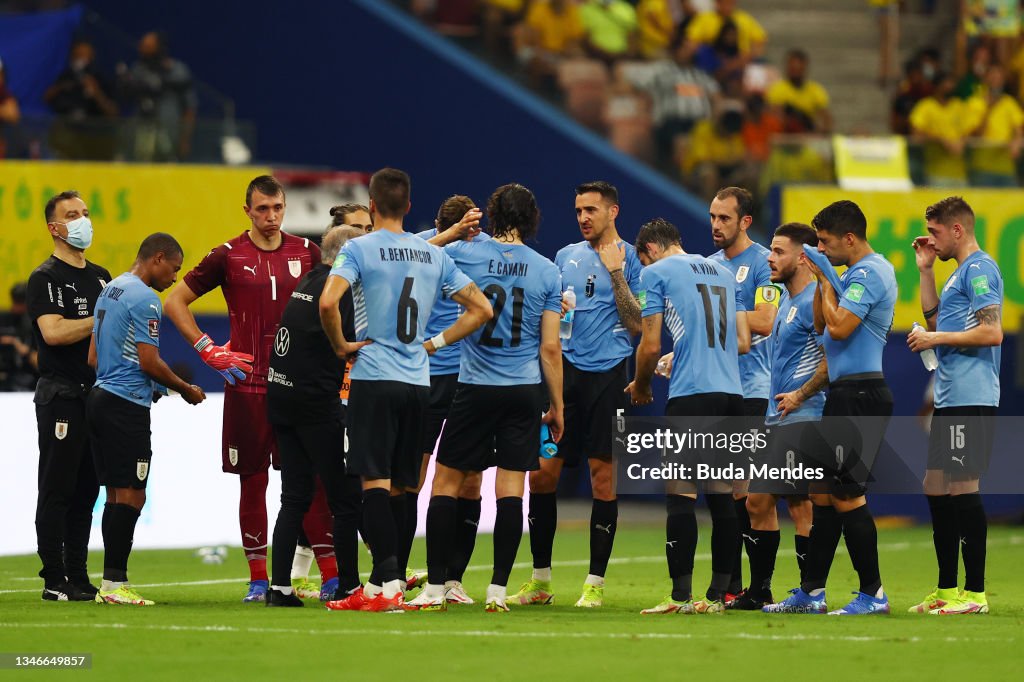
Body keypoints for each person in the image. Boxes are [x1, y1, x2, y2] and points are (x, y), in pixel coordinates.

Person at [319, 167, 492, 613]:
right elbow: (481, 308)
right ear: (409, 206)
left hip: (374, 377)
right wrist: (433, 344)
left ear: (372, 206)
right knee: (402, 486)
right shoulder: (431, 255)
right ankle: (379, 587)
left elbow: (326, 301)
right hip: (418, 381)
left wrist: (341, 345)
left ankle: (390, 580)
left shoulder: (357, 248)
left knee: (373, 482)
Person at [164, 175, 335, 603]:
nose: (271, 217)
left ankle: (331, 575)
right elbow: (174, 302)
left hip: (297, 385)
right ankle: (259, 579)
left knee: (310, 480)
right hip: (247, 386)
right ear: (247, 211)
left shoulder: (308, 252)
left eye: (277, 208)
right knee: (252, 482)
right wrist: (207, 349)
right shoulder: (227, 255)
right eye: (262, 209)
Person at [407, 183, 564, 613]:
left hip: (474, 387)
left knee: (445, 483)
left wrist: (454, 232)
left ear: (492, 215)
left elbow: (419, 257)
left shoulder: (467, 254)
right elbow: (550, 348)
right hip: (523, 392)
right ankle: (497, 591)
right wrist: (558, 406)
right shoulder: (548, 270)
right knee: (511, 488)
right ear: (532, 219)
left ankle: (436, 586)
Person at [510, 181, 642, 609]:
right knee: (541, 475)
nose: (584, 217)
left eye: (591, 209)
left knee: (603, 481)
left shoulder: (633, 259)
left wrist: (617, 272)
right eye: (578, 210)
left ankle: (595, 583)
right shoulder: (564, 257)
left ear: (613, 211)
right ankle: (541, 580)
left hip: (608, 380)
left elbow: (638, 324)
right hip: (563, 380)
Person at [765, 200, 896, 616]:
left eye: (824, 242)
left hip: (861, 394)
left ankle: (873, 593)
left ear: (850, 238)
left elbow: (840, 327)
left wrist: (822, 275)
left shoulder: (870, 273)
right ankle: (811, 593)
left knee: (846, 496)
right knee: (823, 496)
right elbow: (823, 326)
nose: (818, 249)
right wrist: (825, 279)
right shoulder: (847, 274)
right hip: (844, 394)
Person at [627, 217, 748, 614]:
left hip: (693, 395)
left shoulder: (656, 273)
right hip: (731, 393)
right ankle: (718, 597)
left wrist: (642, 385)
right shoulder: (723, 271)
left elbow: (649, 344)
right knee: (722, 497)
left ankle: (680, 596)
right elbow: (736, 338)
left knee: (680, 494)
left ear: (650, 250)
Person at [88, 233, 206, 605]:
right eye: (174, 269)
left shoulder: (110, 290)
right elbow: (149, 361)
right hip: (124, 407)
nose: (174, 278)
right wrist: (185, 388)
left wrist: (151, 388)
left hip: (100, 398)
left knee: (115, 494)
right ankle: (114, 585)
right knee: (133, 494)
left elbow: (93, 357)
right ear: (157, 259)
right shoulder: (145, 299)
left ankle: (111, 583)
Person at [908, 196, 1002, 615]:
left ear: (957, 230)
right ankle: (946, 588)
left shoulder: (980, 269)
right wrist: (926, 271)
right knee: (935, 486)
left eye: (935, 232)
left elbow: (992, 332)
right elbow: (935, 322)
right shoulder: (956, 273)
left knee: (964, 487)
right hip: (950, 395)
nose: (931, 239)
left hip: (972, 395)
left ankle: (975, 593)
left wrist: (936, 340)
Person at [265, 226, 367, 607]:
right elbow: (354, 339)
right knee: (345, 499)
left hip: (281, 397)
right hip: (314, 403)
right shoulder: (336, 292)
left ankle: (280, 589)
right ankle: (349, 587)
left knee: (293, 497)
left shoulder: (309, 277)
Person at [398, 195, 491, 604]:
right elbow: (396, 259)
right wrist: (446, 237)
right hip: (424, 374)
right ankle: (397, 575)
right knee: (411, 479)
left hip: (469, 377)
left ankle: (453, 579)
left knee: (468, 480)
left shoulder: (488, 250)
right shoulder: (420, 245)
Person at [26, 191, 112, 602]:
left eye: (85, 213)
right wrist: (99, 319)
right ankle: (53, 577)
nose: (82, 221)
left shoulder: (101, 276)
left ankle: (78, 575)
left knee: (87, 490)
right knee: (57, 487)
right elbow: (53, 332)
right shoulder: (45, 277)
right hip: (61, 394)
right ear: (54, 228)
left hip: (96, 396)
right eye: (72, 215)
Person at [737, 222, 821, 610]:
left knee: (800, 505)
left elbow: (833, 361)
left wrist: (803, 396)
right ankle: (762, 591)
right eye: (770, 250)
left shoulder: (815, 302)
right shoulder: (786, 301)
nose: (770, 257)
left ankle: (811, 593)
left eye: (779, 251)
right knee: (758, 501)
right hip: (778, 417)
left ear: (802, 257)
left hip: (805, 418)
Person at [706, 187, 780, 603]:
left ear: (745, 221)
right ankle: (730, 584)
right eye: (713, 217)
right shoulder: (708, 265)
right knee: (721, 488)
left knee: (745, 490)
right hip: (717, 387)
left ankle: (758, 586)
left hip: (753, 390)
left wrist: (715, 316)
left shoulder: (764, 263)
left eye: (725, 219)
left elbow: (766, 321)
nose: (716, 225)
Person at [119, 31, 197, 161]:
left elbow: (190, 107)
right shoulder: (138, 70)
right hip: (142, 130)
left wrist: (185, 139)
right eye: (143, 46)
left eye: (149, 47)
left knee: (169, 164)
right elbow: (126, 96)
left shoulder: (177, 70)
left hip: (169, 131)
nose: (143, 50)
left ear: (160, 48)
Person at [44, 39, 118, 161]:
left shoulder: (99, 79)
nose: (82, 59)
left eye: (85, 55)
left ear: (92, 57)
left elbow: (113, 113)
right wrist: (62, 87)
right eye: (78, 55)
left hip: (94, 140)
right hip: (67, 138)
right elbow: (47, 98)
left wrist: (96, 93)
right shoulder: (65, 76)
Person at [765, 50, 832, 134]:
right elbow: (775, 115)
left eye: (798, 68)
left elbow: (826, 117)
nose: (795, 71)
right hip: (785, 136)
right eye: (792, 68)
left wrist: (822, 131)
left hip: (808, 134)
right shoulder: (777, 89)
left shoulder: (815, 90)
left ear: (805, 68)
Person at [0, 282, 38, 391]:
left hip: (26, 379)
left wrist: (19, 346)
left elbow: (41, 362)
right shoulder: (3, 318)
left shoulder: (32, 323)